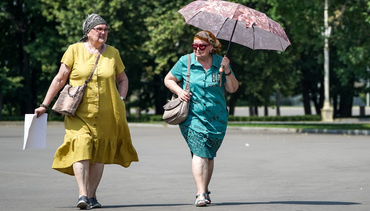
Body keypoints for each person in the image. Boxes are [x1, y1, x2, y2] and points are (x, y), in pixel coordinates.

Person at [34, 14, 139, 209]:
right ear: (88, 31)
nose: (103, 32)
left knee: (99, 154)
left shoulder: (113, 53)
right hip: (78, 113)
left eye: (106, 29)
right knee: (81, 146)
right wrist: (44, 104)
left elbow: (122, 79)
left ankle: (92, 196)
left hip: (108, 112)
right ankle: (82, 195)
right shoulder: (74, 50)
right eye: (99, 29)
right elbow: (60, 78)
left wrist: (122, 99)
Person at [164, 30, 239, 207]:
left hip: (217, 118)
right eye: (195, 46)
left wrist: (227, 70)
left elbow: (233, 88)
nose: (197, 49)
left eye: (202, 46)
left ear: (211, 47)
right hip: (192, 116)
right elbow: (168, 79)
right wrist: (180, 91)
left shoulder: (221, 62)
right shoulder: (186, 61)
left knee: (209, 155)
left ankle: (204, 189)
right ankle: (200, 193)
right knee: (200, 152)